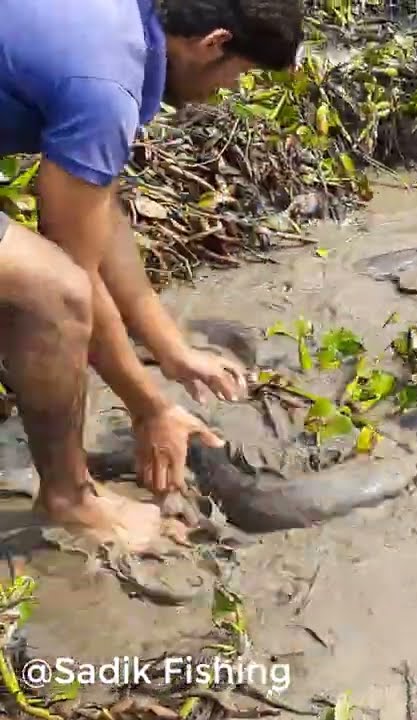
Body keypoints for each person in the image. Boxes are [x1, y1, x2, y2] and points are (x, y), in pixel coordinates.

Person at [0, 0, 303, 551]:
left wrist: (171, 348)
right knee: (51, 291)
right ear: (214, 43)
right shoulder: (105, 84)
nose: (233, 88)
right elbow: (74, 277)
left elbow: (99, 216)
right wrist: (150, 409)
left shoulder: (114, 23)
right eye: (244, 72)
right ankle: (71, 500)